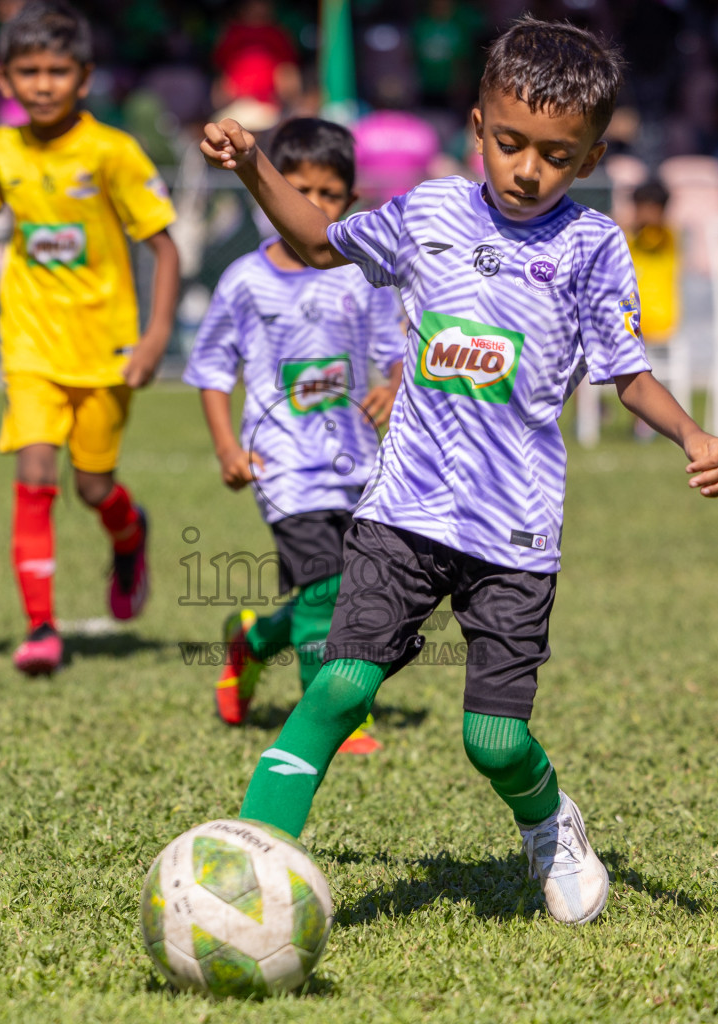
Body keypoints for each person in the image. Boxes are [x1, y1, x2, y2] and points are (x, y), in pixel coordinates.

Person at [201, 16, 718, 925]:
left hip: (516, 530)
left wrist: (693, 435)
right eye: (513, 143)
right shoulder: (428, 213)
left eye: (558, 156)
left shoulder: (592, 247)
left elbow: (626, 371)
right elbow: (323, 239)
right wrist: (256, 165)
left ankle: (549, 822)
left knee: (493, 739)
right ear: (478, 128)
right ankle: (249, 870)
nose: (530, 169)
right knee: (339, 682)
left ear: (593, 154)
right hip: (404, 510)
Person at [0, 1, 180, 676]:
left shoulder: (111, 152)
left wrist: (156, 335)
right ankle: (41, 627)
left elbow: (164, 249)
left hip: (106, 345)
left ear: (84, 77)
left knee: (92, 485)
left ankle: (130, 534)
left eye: (56, 70)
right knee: (36, 469)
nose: (42, 84)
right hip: (30, 342)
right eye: (29, 71)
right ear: (4, 79)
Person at [183, 117, 406, 756]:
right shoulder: (245, 282)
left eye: (328, 194)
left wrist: (392, 386)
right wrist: (228, 447)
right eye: (296, 188)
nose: (311, 206)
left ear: (352, 201)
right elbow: (211, 370)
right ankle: (333, 721)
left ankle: (252, 641)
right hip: (282, 464)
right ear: (267, 190)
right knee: (326, 586)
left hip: (359, 463)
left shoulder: (361, 276)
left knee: (350, 593)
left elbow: (397, 350)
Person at [626, 178, 680, 440]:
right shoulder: (624, 236)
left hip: (659, 320)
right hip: (628, 318)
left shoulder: (668, 237)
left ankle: (644, 421)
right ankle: (588, 413)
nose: (646, 214)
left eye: (652, 208)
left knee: (634, 359)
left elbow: (654, 238)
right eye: (641, 207)